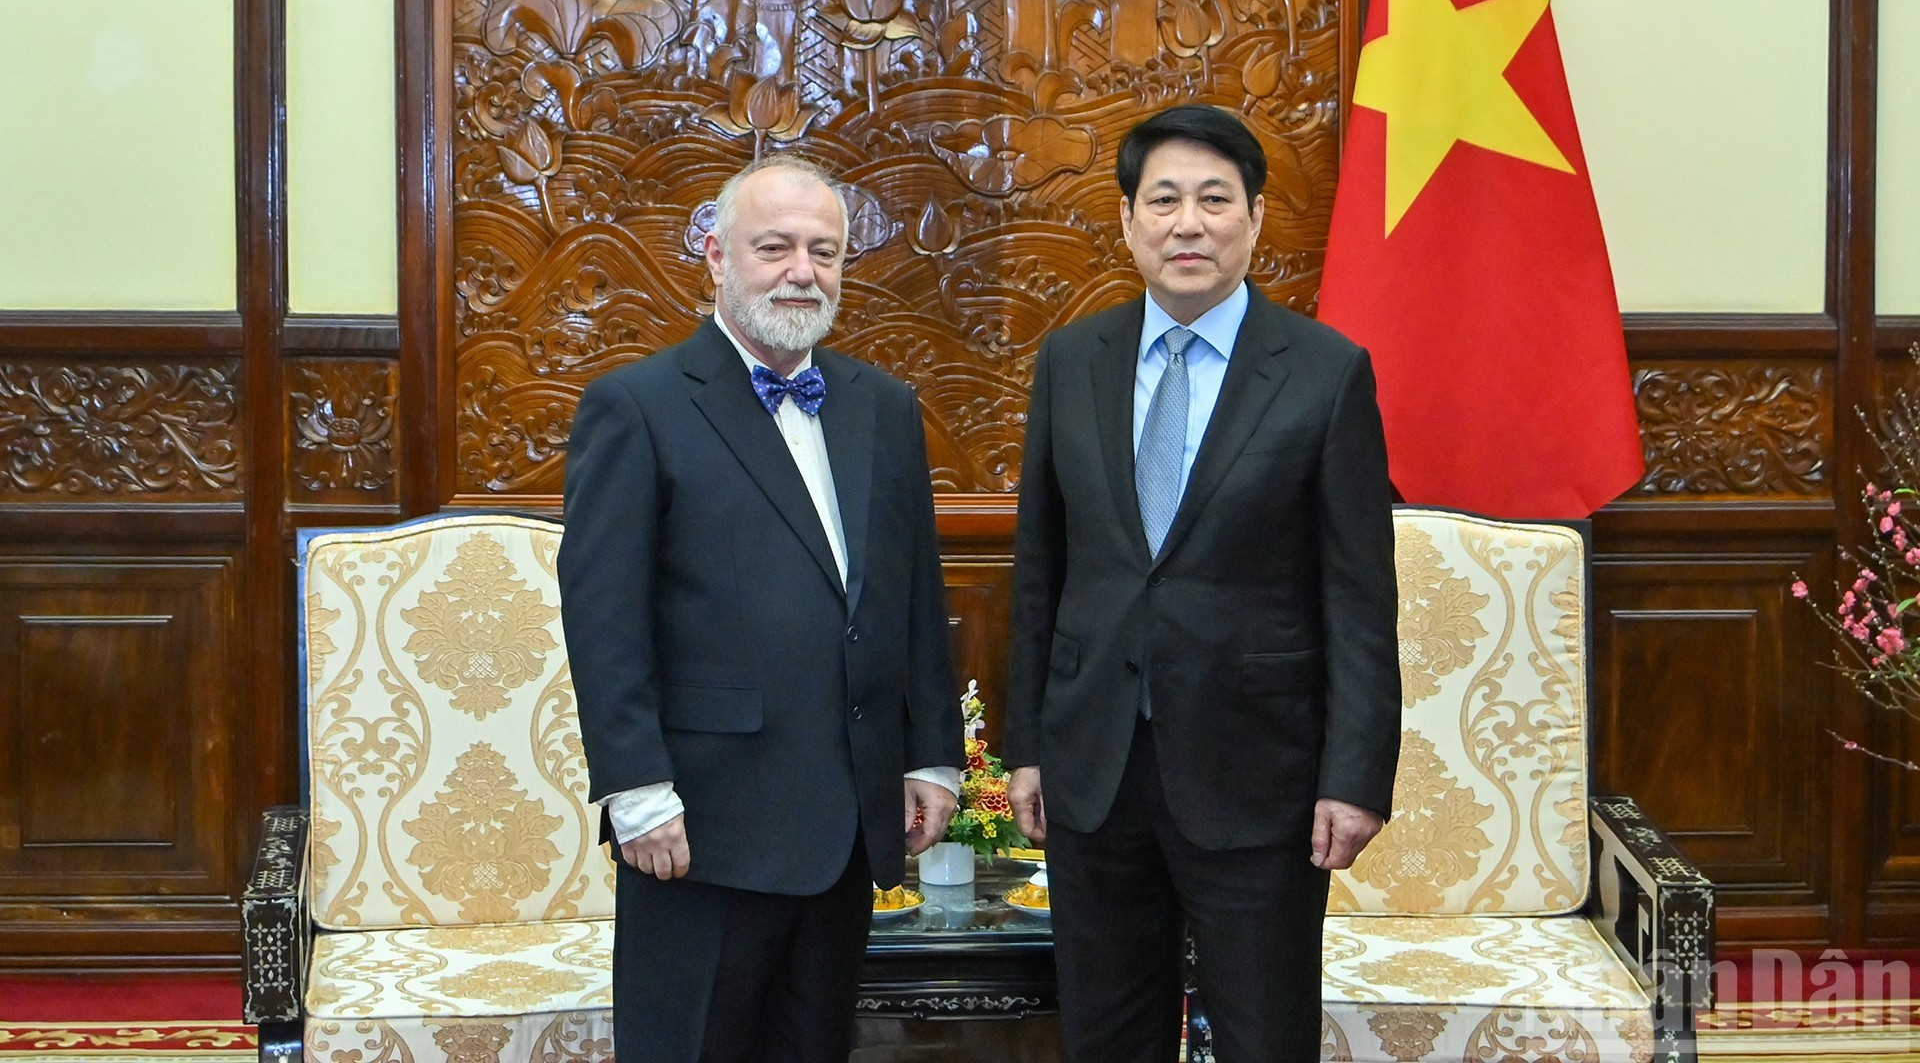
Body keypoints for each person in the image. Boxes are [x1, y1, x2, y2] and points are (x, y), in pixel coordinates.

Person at [1002, 103, 1402, 1060]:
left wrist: (1355, 777)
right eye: (1165, 199)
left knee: (1265, 1034)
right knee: (1107, 1033)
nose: (1189, 222)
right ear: (1129, 221)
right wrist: (1028, 747)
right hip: (1096, 766)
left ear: (1255, 219)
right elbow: (1040, 570)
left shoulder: (1325, 372)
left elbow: (1359, 597)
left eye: (1215, 199)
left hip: (1256, 771)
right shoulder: (1071, 361)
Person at [558, 155, 964, 1062]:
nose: (801, 271)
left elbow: (912, 594)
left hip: (845, 823)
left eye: (824, 251)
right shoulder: (638, 405)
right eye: (774, 246)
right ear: (716, 254)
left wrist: (932, 755)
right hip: (700, 827)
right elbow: (603, 616)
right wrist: (635, 789)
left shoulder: (884, 406)